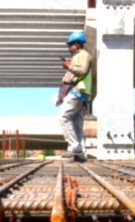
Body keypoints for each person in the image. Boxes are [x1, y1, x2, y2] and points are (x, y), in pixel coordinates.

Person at [56, 31, 92, 162]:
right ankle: (81, 154)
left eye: (70, 45)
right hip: (82, 96)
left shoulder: (82, 55)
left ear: (77, 44)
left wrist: (68, 66)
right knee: (77, 126)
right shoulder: (78, 57)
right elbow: (69, 78)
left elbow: (81, 71)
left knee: (63, 117)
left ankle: (74, 146)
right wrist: (61, 95)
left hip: (77, 93)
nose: (69, 48)